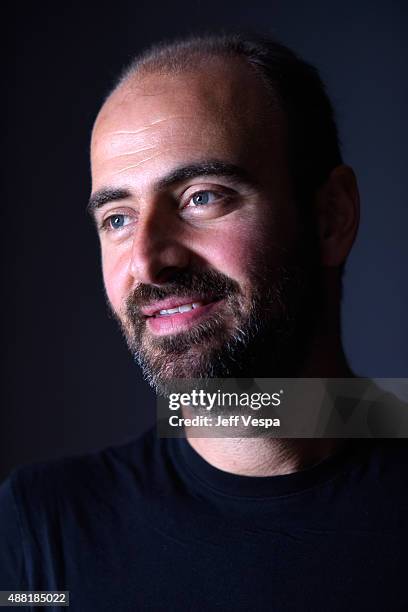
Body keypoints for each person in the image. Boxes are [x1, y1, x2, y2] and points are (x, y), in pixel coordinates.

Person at [0, 33, 407, 611]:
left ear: (330, 218)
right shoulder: (40, 530)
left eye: (201, 197)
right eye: (117, 218)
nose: (147, 259)